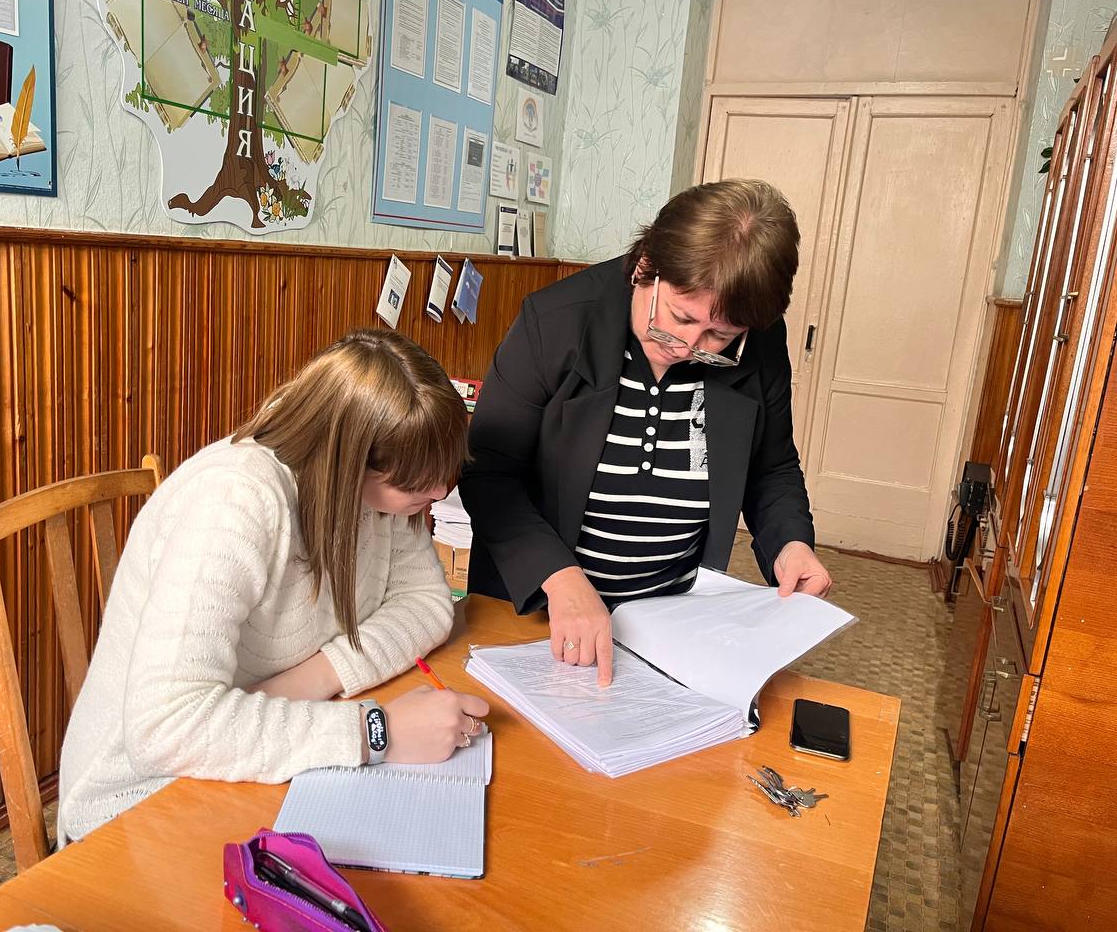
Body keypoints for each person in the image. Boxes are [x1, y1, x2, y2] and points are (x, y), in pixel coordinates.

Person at [58, 329, 488, 843]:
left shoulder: (374, 489)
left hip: (258, 747)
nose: (438, 492)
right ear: (348, 460)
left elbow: (428, 604)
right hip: (138, 802)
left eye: (443, 476)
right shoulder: (234, 501)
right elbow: (165, 729)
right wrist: (378, 732)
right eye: (413, 484)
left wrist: (309, 680)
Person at [459, 179, 832, 688]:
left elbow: (772, 467)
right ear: (646, 267)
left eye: (719, 335)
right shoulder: (557, 322)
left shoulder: (759, 344)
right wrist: (560, 578)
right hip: (540, 613)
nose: (689, 346)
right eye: (680, 317)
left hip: (671, 625)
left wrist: (790, 543)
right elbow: (488, 471)